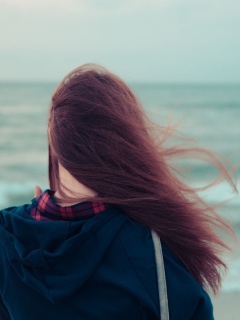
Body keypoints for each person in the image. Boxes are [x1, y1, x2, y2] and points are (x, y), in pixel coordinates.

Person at [0, 64, 237, 320]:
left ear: (54, 140)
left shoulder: (7, 237)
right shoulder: (154, 256)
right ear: (128, 143)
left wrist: (37, 223)